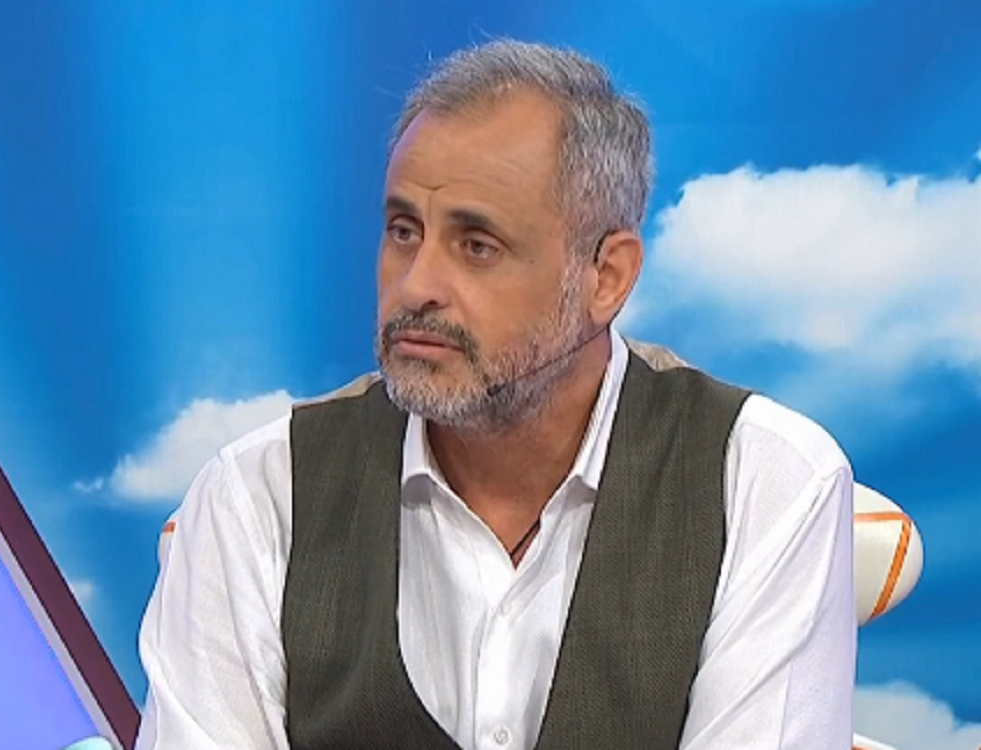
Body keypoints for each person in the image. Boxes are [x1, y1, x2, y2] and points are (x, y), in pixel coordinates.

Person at [134, 39, 856, 750]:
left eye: (477, 246)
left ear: (606, 278)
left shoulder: (762, 481)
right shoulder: (260, 494)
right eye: (403, 231)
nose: (416, 286)